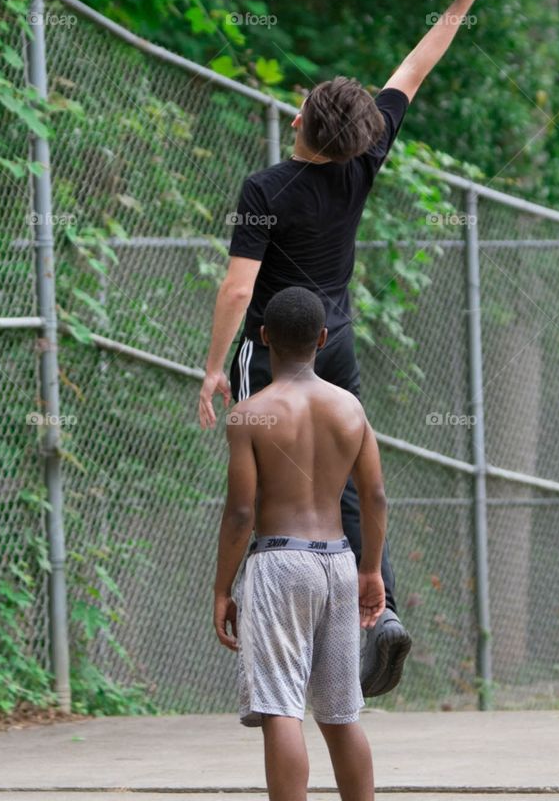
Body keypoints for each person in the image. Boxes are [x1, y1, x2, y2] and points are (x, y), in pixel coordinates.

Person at [200, 0, 504, 695]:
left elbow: (238, 293)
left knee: (263, 491)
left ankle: (278, 634)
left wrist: (212, 367)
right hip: (332, 349)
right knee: (345, 485)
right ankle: (382, 608)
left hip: (272, 349)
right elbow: (414, 67)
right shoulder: (362, 164)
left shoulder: (265, 188)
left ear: (300, 120)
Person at [213, 286, 387, 801]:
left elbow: (242, 511)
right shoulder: (350, 410)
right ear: (323, 339)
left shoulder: (250, 416)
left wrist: (224, 588)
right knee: (341, 712)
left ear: (264, 338)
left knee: (280, 708)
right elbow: (374, 496)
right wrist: (371, 570)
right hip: (337, 561)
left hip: (280, 563)